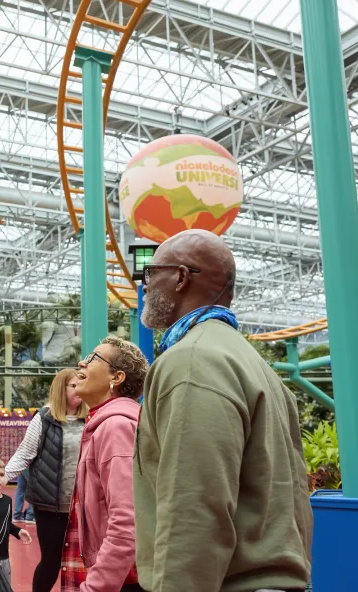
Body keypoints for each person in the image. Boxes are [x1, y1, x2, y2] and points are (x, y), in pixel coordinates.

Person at [134, 229, 313, 592]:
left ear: (181, 277)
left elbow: (194, 504)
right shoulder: (252, 362)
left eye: (151, 273)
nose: (145, 286)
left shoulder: (191, 360)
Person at [68, 337, 148, 592]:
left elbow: (126, 523)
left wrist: (96, 587)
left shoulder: (116, 427)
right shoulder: (106, 423)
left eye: (93, 358)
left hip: (125, 580)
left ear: (117, 377)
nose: (82, 362)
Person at [4, 368, 87, 592]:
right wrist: (2, 476)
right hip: (51, 506)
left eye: (82, 383)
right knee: (51, 562)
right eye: (73, 385)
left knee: (87, 561)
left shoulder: (91, 417)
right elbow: (25, 453)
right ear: (62, 388)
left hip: (84, 508)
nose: (79, 389)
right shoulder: (45, 418)